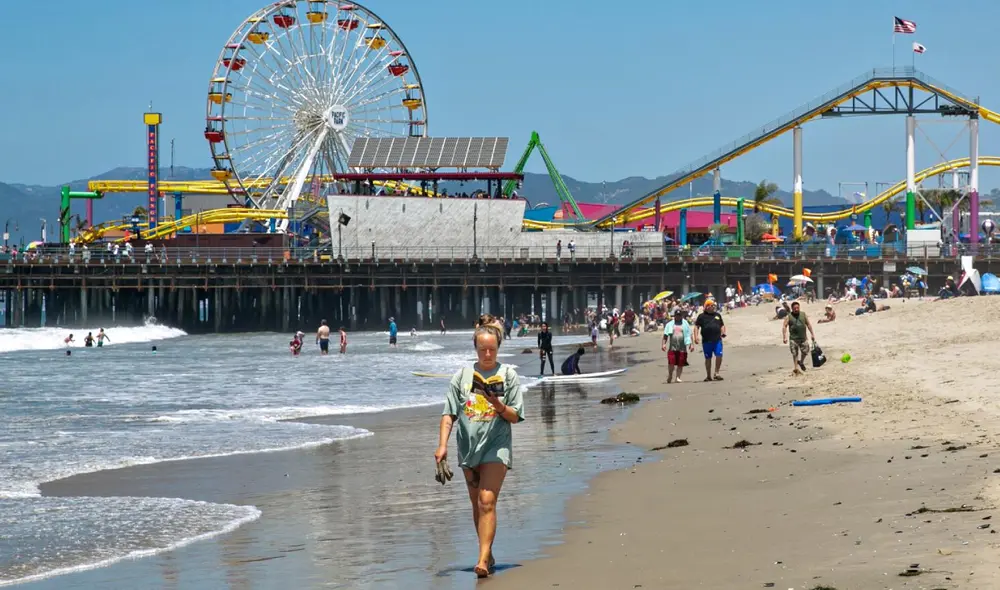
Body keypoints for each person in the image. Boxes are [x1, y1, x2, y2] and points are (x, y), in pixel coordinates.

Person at [435, 323, 524, 578]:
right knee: (477, 504)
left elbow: (516, 416)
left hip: (496, 447)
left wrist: (497, 404)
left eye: (492, 349)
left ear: (498, 348)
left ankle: (483, 559)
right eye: (483, 349)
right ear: (475, 348)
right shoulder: (461, 376)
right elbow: (448, 414)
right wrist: (442, 446)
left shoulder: (508, 375)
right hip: (467, 448)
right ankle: (488, 551)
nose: (487, 354)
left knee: (487, 500)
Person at [693, 299, 726, 382]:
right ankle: (708, 376)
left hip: (717, 340)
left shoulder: (718, 315)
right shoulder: (701, 316)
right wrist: (696, 337)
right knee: (708, 358)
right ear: (707, 306)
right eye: (711, 305)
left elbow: (722, 325)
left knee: (719, 355)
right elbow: (696, 326)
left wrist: (723, 332)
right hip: (706, 341)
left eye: (714, 305)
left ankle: (716, 373)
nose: (713, 307)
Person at [782, 301, 816, 375]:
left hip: (803, 337)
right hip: (793, 338)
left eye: (797, 308)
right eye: (795, 308)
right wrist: (784, 337)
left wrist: (812, 334)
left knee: (806, 350)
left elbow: (808, 324)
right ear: (792, 309)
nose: (796, 309)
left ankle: (801, 362)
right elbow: (784, 326)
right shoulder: (789, 316)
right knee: (795, 353)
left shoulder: (803, 314)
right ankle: (796, 368)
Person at [661, 308, 693, 384]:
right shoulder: (670, 324)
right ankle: (670, 375)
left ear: (681, 316)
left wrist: (691, 345)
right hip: (672, 347)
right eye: (677, 315)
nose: (678, 317)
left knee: (680, 363)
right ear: (674, 316)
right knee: (671, 363)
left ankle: (678, 377)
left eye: (679, 315)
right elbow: (665, 335)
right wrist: (663, 344)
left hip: (682, 347)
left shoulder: (685, 323)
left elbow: (689, 334)